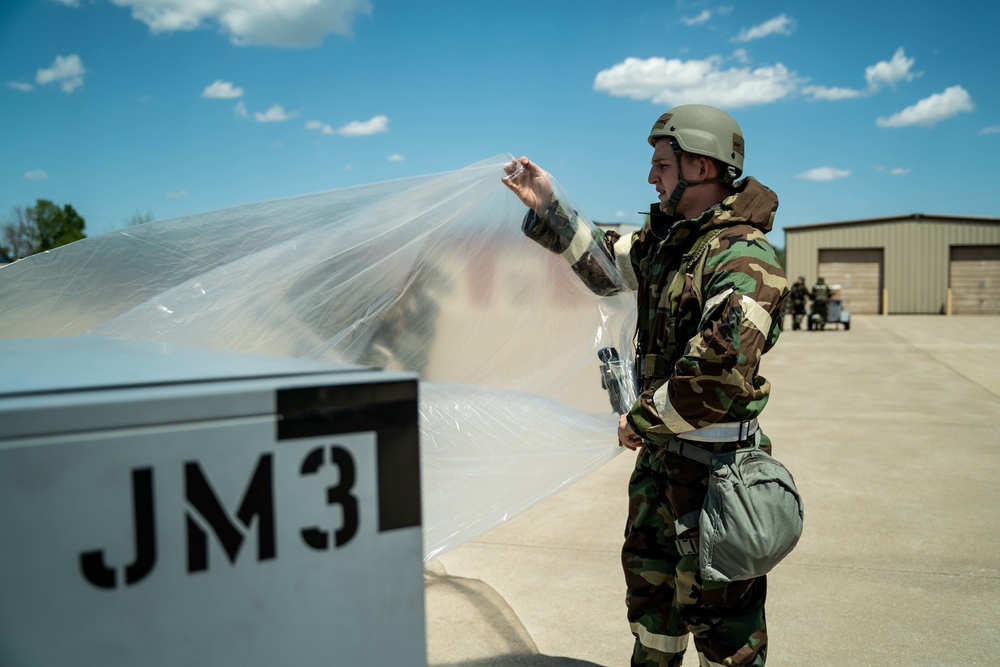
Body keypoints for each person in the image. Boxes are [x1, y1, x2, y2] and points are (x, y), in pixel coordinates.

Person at [503, 104, 788, 667]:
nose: (651, 177)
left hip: (718, 481)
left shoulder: (743, 256)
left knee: (726, 638)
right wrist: (548, 206)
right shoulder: (668, 245)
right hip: (661, 470)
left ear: (701, 167)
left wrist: (641, 421)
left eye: (661, 164)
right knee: (653, 617)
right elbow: (606, 262)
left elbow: (720, 370)